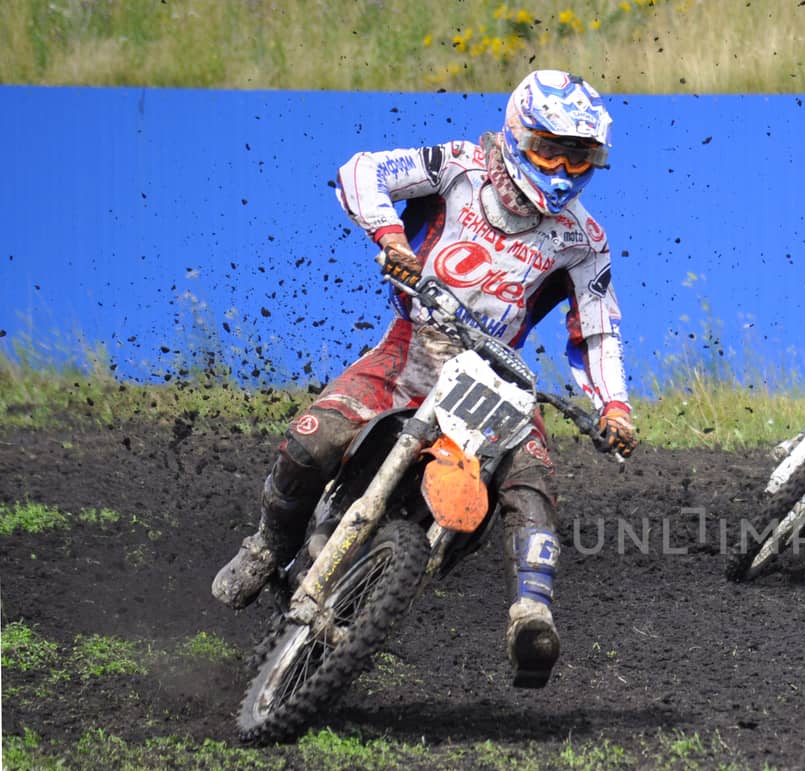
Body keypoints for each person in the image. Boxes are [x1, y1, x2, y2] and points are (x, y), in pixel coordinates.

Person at [212, 69, 637, 690]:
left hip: (498, 376)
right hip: (415, 347)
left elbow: (597, 331)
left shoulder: (582, 239)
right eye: (550, 152)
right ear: (518, 135)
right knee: (313, 439)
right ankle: (268, 545)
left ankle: (531, 617)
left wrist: (616, 407)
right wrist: (390, 237)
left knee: (534, 484)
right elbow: (363, 171)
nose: (563, 172)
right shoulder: (459, 166)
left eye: (581, 160)